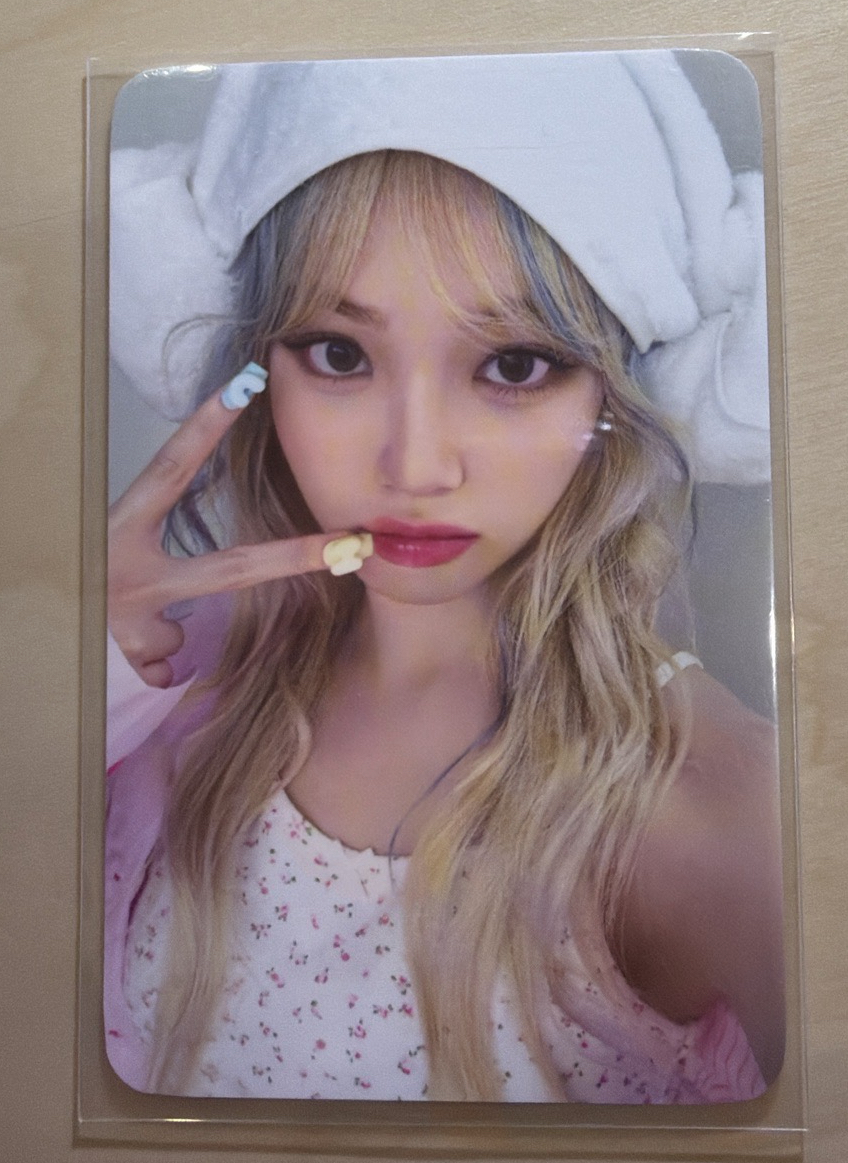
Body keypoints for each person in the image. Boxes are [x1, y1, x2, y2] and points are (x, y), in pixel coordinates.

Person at [104, 52, 784, 1102]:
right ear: (261, 371)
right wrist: (75, 671)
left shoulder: (711, 807)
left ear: (611, 394)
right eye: (338, 354)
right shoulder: (170, 681)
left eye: (513, 365)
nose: (415, 466)